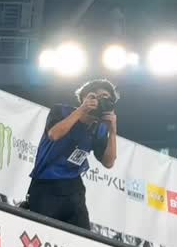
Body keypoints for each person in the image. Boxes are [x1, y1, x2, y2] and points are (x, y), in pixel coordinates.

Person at [25, 78, 118, 230]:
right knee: (43, 233)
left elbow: (109, 162)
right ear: (85, 98)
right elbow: (54, 134)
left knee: (82, 237)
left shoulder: (99, 128)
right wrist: (82, 110)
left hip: (73, 187)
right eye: (98, 97)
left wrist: (113, 131)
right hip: (45, 183)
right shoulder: (61, 111)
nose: (102, 102)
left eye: (107, 99)